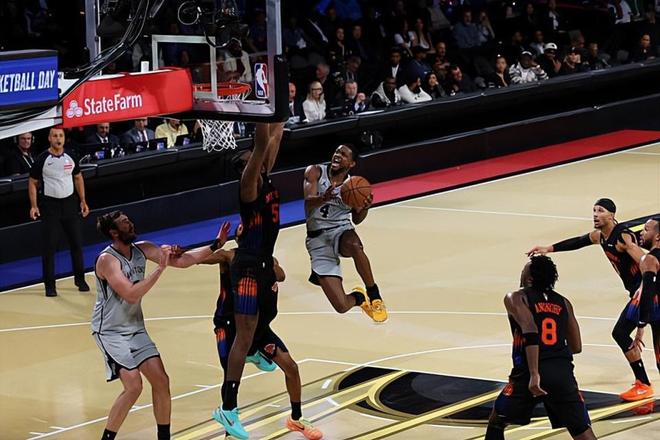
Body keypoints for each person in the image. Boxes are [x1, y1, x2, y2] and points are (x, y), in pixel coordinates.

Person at [92, 212, 229, 440]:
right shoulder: (107, 260)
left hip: (135, 327)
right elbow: (131, 294)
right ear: (114, 233)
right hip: (110, 331)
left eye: (129, 220)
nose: (130, 223)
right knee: (134, 386)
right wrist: (159, 269)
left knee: (161, 381)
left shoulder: (144, 249)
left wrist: (216, 244)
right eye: (124, 223)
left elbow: (184, 261)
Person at [202, 224, 323, 439]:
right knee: (230, 372)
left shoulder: (267, 259)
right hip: (229, 326)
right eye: (241, 228)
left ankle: (296, 419)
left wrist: (263, 264)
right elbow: (198, 259)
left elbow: (281, 275)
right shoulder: (229, 257)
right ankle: (230, 428)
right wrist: (215, 244)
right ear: (238, 238)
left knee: (291, 367)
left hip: (258, 327)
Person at [527, 198, 654, 400]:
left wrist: (643, 290)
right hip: (637, 293)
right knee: (623, 334)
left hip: (646, 291)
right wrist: (549, 248)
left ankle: (643, 384)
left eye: (600, 210)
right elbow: (578, 241)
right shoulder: (600, 236)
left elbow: (646, 263)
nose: (595, 214)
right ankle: (643, 383)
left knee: (621, 332)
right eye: (594, 210)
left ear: (611, 215)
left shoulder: (622, 237)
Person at [214, 123, 284, 439]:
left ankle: (256, 350)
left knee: (266, 317)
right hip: (248, 268)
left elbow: (274, 135)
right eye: (251, 160)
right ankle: (228, 408)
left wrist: (280, 108)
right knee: (243, 336)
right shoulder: (248, 187)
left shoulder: (264, 176)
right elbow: (262, 143)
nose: (258, 161)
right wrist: (261, 109)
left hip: (264, 262)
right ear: (246, 168)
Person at [485, 256, 596, 440]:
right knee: (581, 430)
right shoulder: (564, 302)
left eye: (524, 270)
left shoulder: (516, 297)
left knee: (497, 421)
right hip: (562, 373)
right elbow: (576, 346)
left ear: (529, 278)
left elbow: (530, 330)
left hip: (528, 373)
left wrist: (535, 373)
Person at [303, 144, 387, 323]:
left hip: (340, 231)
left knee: (355, 245)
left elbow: (356, 219)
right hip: (317, 240)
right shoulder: (315, 172)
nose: (337, 155)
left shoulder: (353, 186)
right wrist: (323, 198)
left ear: (351, 163)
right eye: (336, 152)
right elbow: (308, 203)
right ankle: (359, 297)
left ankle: (374, 295)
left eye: (343, 154)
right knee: (341, 306)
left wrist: (365, 207)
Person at [28, 127, 90, 297]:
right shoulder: (42, 159)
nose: (58, 139)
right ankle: (50, 286)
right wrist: (34, 206)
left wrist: (83, 200)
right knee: (49, 247)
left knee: (76, 243)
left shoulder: (71, 156)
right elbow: (32, 182)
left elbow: (78, 177)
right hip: (50, 206)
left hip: (70, 204)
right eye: (55, 136)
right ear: (49, 138)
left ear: (64, 138)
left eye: (61, 135)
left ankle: (80, 280)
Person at [634, 219, 660, 374]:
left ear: (657, 236)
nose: (641, 233)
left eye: (646, 229)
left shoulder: (649, 259)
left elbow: (648, 292)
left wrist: (641, 325)